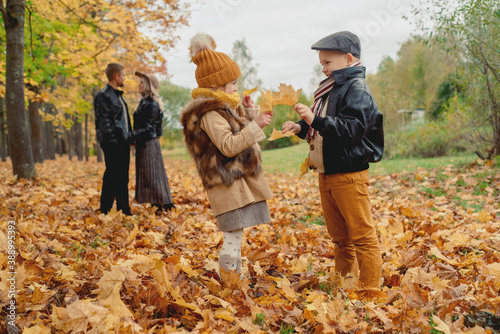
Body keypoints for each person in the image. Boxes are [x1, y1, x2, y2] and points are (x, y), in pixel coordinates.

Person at [282, 31, 384, 288]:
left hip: (349, 174)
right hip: (327, 173)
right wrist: (301, 128)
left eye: (328, 63)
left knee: (362, 235)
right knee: (340, 238)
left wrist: (314, 119)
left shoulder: (356, 89)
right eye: (322, 64)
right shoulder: (330, 90)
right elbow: (325, 131)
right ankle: (344, 283)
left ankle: (370, 291)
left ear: (348, 59)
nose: (324, 69)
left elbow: (350, 130)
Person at [181, 33, 273, 276]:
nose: (235, 87)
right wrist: (257, 126)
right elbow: (229, 145)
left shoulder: (223, 108)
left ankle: (235, 279)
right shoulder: (210, 114)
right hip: (225, 182)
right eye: (232, 83)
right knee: (232, 235)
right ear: (215, 85)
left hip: (234, 181)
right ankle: (229, 281)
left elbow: (236, 132)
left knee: (236, 234)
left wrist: (250, 114)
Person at [128, 71, 174, 213]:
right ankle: (157, 205)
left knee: (154, 175)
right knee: (148, 175)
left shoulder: (152, 104)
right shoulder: (144, 103)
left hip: (149, 143)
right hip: (143, 143)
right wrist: (134, 138)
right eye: (140, 82)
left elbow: (149, 129)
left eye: (142, 82)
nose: (139, 84)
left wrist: (130, 136)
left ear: (149, 85)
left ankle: (163, 205)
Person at [94, 63, 132, 216]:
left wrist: (129, 138)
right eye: (123, 75)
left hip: (123, 143)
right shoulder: (103, 95)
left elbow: (123, 121)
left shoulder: (118, 95)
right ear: (116, 77)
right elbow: (103, 122)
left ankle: (123, 209)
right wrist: (113, 142)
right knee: (111, 175)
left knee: (123, 176)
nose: (124, 78)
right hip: (113, 144)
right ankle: (105, 209)